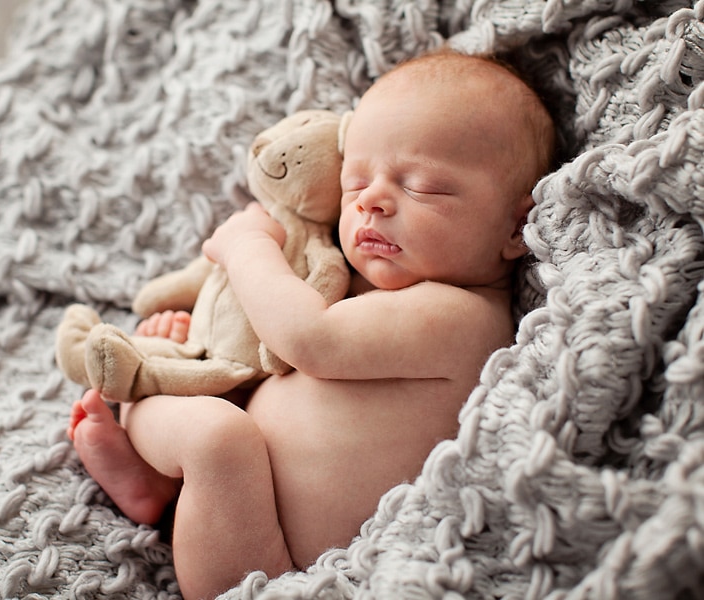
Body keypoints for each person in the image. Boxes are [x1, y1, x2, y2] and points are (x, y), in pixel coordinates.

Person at [68, 48, 556, 599]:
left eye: (421, 185)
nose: (372, 202)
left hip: (262, 566)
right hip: (236, 506)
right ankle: (158, 487)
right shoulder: (357, 280)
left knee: (219, 438)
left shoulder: (458, 315)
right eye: (355, 184)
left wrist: (248, 246)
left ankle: (136, 405)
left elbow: (308, 341)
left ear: (519, 226)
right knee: (225, 422)